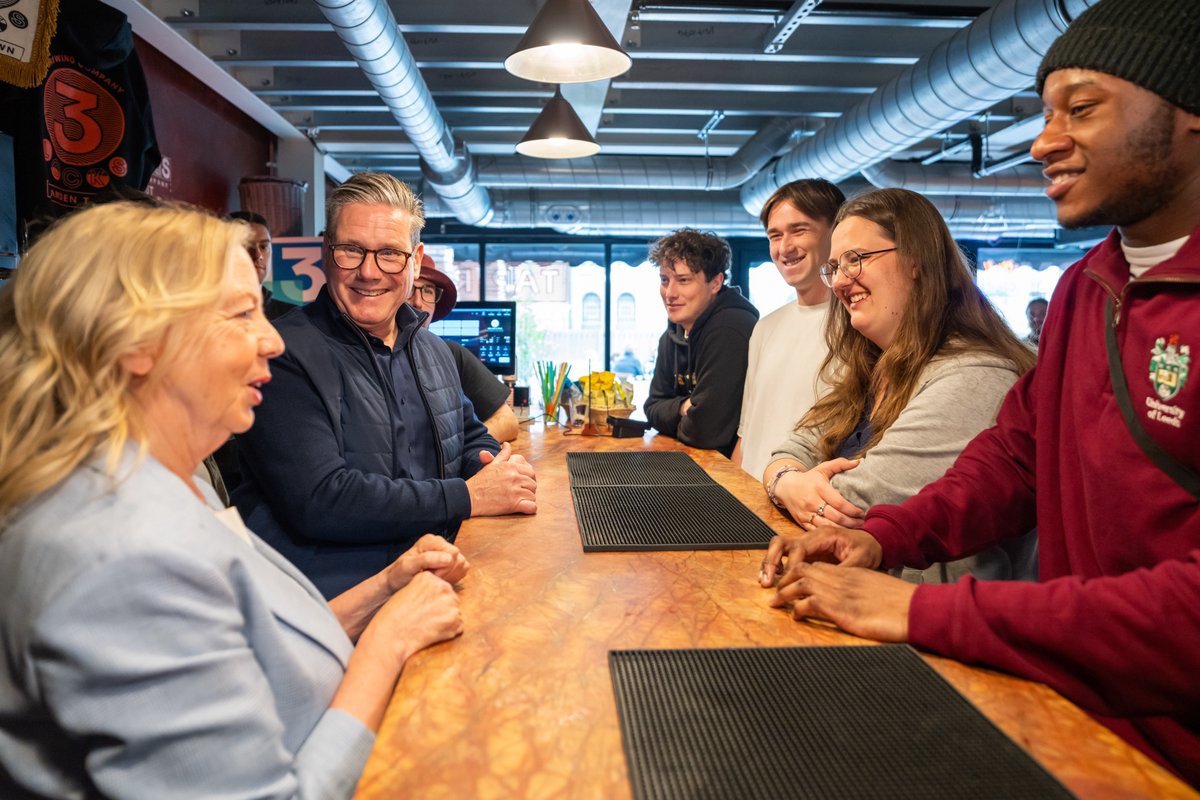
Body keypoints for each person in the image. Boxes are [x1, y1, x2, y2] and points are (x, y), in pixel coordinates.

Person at [759, 0, 1200, 783]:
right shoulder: (1086, 289)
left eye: (1084, 108)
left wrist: (921, 609)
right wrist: (884, 537)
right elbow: (1015, 461)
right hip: (1084, 723)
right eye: (1044, 112)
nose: (1043, 141)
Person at [0, 201, 469, 798]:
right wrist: (387, 642)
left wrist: (385, 587)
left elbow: (253, 645)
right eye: (242, 313)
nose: (272, 338)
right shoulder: (118, 556)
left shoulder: (173, 480)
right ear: (137, 343)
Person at [232, 173, 536, 599]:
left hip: (432, 576)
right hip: (328, 603)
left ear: (416, 259)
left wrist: (494, 468)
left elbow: (467, 435)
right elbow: (320, 500)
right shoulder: (282, 354)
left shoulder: (433, 351)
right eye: (351, 251)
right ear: (326, 252)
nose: (369, 272)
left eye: (390, 254)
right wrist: (467, 497)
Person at [763, 187, 1037, 584]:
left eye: (855, 260)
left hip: (928, 630)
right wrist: (787, 480)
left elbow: (856, 503)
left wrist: (791, 485)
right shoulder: (869, 369)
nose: (840, 280)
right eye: (835, 266)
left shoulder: (977, 374)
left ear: (915, 260)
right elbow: (790, 449)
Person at [732, 178, 844, 479]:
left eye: (799, 230)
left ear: (836, 231)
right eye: (775, 235)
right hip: (754, 504)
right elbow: (747, 436)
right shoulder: (765, 328)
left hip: (811, 510)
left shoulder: (857, 327)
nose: (785, 247)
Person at [643, 228, 759, 456]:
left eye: (684, 280)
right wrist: (685, 407)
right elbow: (652, 408)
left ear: (715, 283)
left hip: (733, 473)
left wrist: (676, 412)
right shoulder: (672, 334)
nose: (670, 293)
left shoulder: (730, 327)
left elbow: (705, 432)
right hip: (693, 463)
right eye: (665, 280)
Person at [408, 254, 519, 443]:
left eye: (428, 291)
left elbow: (508, 421)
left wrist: (458, 448)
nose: (418, 302)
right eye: (410, 289)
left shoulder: (450, 354)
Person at [227, 210, 295, 321]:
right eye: (247, 245)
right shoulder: (201, 315)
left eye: (263, 247)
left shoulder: (291, 317)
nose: (258, 255)